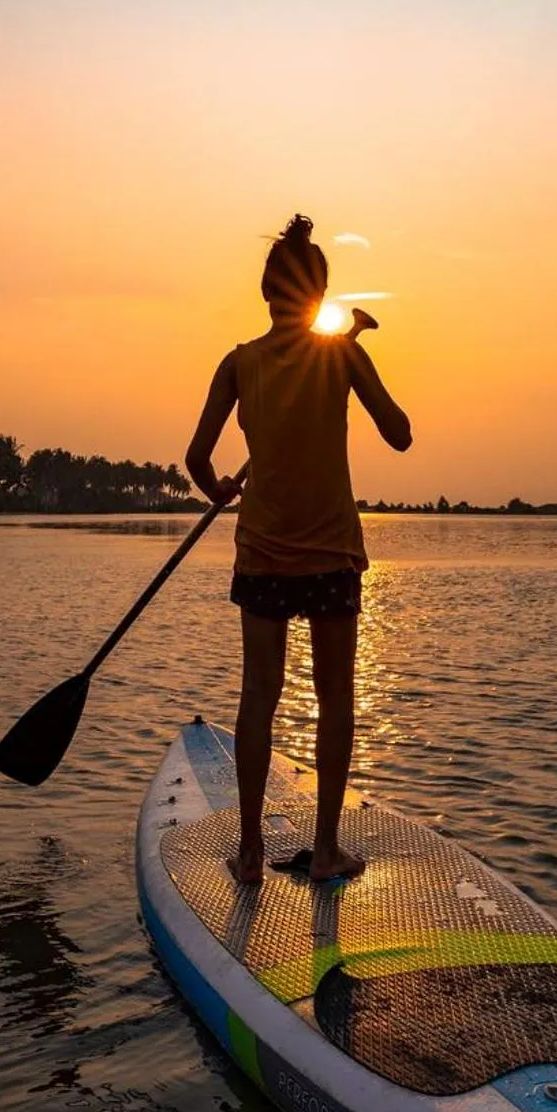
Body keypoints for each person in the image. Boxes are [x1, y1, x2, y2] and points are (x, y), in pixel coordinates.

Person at [184, 214, 412, 887]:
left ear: (265, 294)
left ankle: (250, 853)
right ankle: (324, 852)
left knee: (259, 698)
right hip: (332, 556)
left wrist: (220, 488)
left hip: (261, 557)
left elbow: (196, 458)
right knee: (334, 700)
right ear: (316, 297)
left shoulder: (239, 361)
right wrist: (350, 352)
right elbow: (399, 434)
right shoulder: (340, 354)